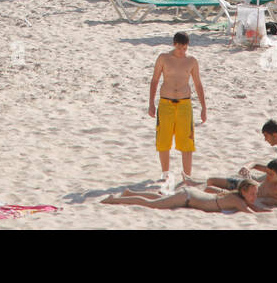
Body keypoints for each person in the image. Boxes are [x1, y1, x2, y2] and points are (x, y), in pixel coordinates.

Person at [149, 31, 207, 179]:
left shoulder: (191, 61)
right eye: (180, 48)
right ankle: (165, 174)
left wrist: (203, 108)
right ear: (174, 45)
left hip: (184, 104)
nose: (182, 51)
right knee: (164, 139)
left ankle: (187, 175)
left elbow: (198, 84)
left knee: (187, 141)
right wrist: (151, 103)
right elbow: (155, 80)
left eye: (185, 48)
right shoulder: (163, 58)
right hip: (165, 102)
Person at [101, 179, 262, 214]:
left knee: (157, 199)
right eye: (252, 193)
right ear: (243, 192)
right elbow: (253, 212)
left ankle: (130, 193)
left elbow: (253, 206)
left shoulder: (236, 197)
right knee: (152, 204)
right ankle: (114, 200)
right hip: (188, 198)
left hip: (191, 196)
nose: (254, 196)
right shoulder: (236, 200)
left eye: (255, 194)